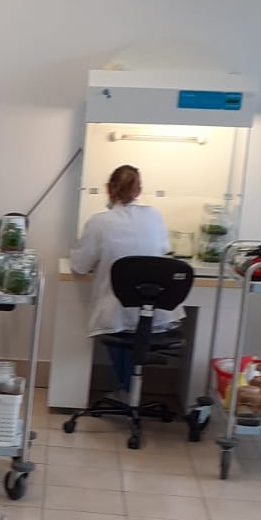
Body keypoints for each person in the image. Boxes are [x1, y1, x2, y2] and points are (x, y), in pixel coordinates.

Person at [70, 164, 176, 391]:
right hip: (153, 311)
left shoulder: (99, 222)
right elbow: (164, 252)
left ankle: (125, 390)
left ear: (108, 188)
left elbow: (79, 266)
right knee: (129, 328)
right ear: (139, 190)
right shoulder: (154, 216)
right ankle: (129, 391)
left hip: (117, 313)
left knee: (117, 326)